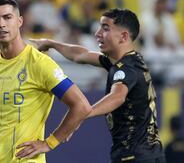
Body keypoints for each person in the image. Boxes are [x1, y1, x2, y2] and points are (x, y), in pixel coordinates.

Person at [0, 0, 92, 163]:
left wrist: (50, 143)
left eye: (7, 17)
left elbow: (81, 106)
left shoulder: (39, 64)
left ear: (19, 21)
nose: (1, 24)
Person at [30, 8, 165, 162]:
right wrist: (51, 43)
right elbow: (80, 55)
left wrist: (82, 114)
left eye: (105, 28)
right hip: (146, 154)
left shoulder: (127, 68)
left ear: (123, 36)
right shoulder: (125, 61)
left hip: (135, 157)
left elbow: (117, 96)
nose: (97, 33)